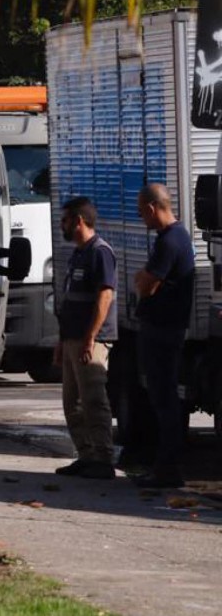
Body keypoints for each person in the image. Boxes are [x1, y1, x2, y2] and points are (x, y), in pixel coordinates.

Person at [132, 183, 195, 488]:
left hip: (163, 330)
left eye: (140, 212)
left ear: (152, 208)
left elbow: (147, 284)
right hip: (164, 328)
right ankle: (164, 465)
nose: (141, 218)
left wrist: (143, 279)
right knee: (162, 397)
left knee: (164, 398)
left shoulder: (170, 241)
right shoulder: (174, 237)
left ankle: (167, 467)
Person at [53, 197, 117, 480]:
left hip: (90, 341)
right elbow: (70, 301)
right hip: (72, 338)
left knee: (93, 400)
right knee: (72, 403)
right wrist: (61, 340)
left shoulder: (99, 252)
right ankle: (86, 454)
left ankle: (103, 458)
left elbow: (105, 297)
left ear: (79, 221)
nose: (62, 226)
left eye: (65, 220)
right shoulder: (78, 253)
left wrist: (91, 337)